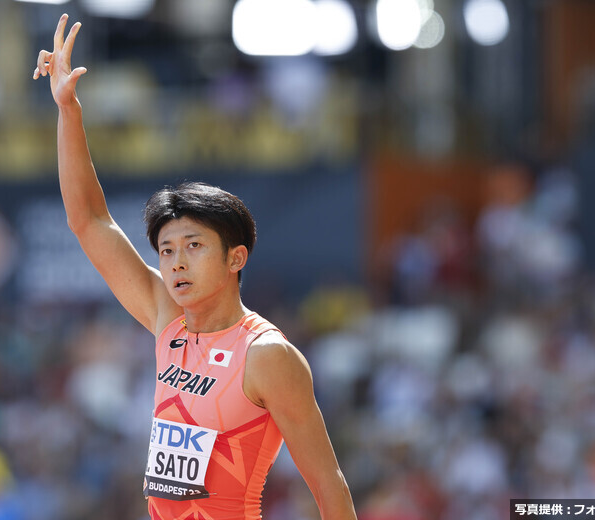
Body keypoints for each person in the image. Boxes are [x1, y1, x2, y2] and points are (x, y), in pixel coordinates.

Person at [33, 14, 357, 520]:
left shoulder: (267, 355)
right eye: (166, 250)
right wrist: (68, 109)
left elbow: (328, 485)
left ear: (236, 257)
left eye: (192, 246)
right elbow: (90, 221)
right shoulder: (168, 318)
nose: (176, 262)